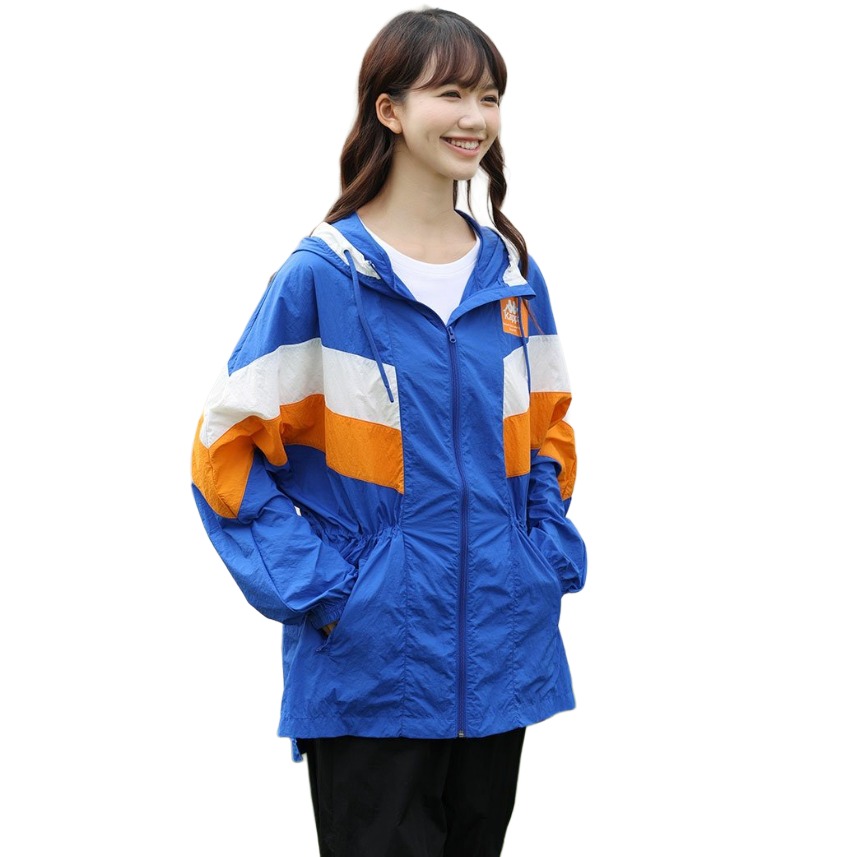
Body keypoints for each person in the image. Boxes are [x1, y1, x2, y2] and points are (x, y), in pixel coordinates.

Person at [190, 7, 587, 856]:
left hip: (500, 661)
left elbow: (548, 434)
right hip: (371, 669)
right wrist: (331, 595)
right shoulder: (322, 278)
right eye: (451, 93)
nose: (474, 117)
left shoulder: (512, 278)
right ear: (389, 110)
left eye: (489, 96)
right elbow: (224, 456)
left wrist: (540, 560)